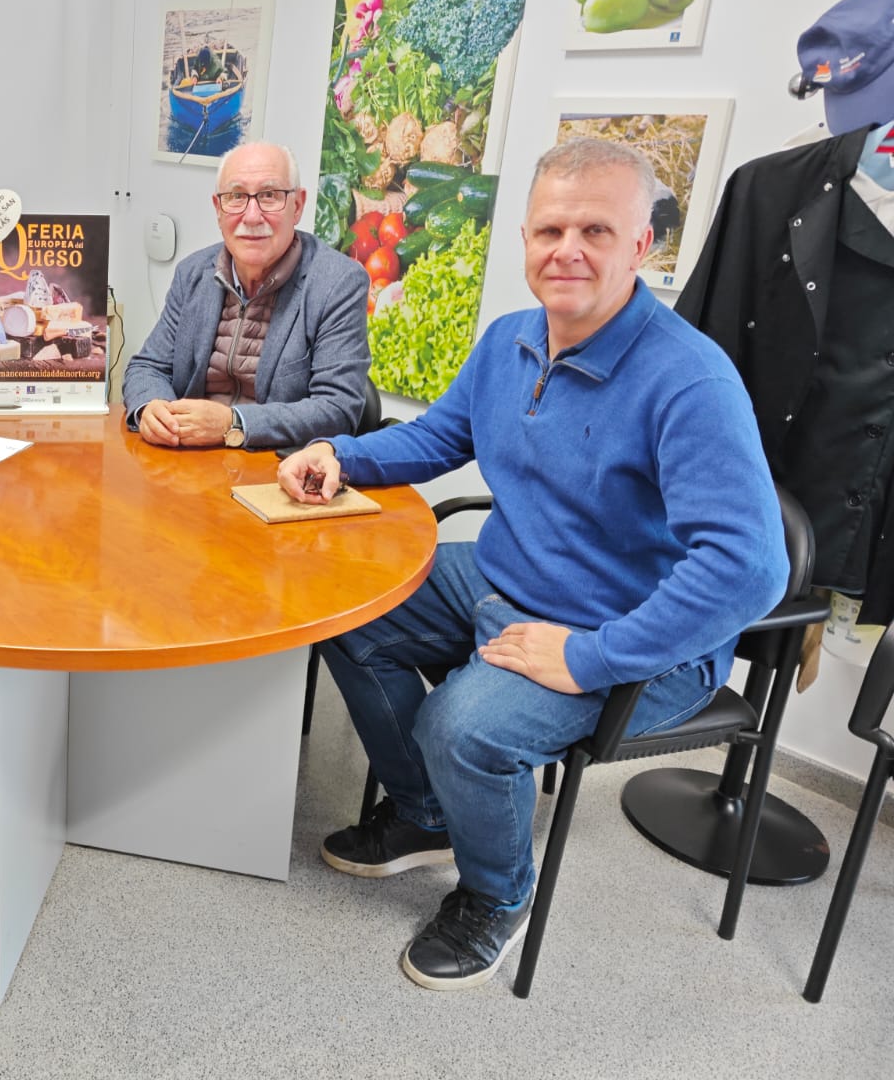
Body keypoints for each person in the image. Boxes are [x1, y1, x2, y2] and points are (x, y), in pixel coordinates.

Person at [277, 138, 790, 991]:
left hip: (632, 634)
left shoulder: (691, 380)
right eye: (551, 229)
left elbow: (750, 568)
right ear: (524, 238)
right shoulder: (511, 339)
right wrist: (341, 453)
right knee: (343, 608)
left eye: (596, 230)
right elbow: (440, 436)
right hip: (504, 578)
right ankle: (428, 814)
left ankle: (496, 895)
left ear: (641, 245)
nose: (568, 250)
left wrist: (590, 656)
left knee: (462, 729)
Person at [122, 141, 371, 451]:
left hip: (275, 466)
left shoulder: (338, 283)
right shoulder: (192, 273)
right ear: (218, 208)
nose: (252, 217)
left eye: (269, 195)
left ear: (297, 206)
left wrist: (233, 423)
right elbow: (146, 367)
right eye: (236, 197)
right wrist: (150, 406)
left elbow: (337, 410)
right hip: (186, 460)